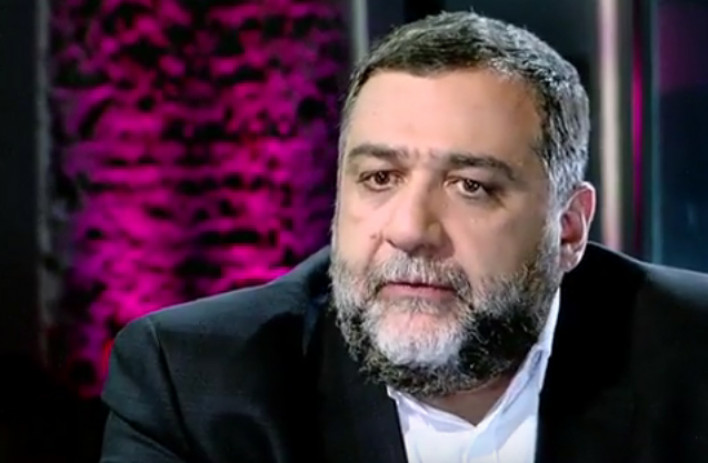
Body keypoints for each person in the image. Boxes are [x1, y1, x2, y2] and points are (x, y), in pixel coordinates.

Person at [99, 10, 708, 463]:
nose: (410, 230)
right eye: (379, 178)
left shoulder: (691, 357)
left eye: (470, 186)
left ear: (568, 228)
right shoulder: (195, 383)